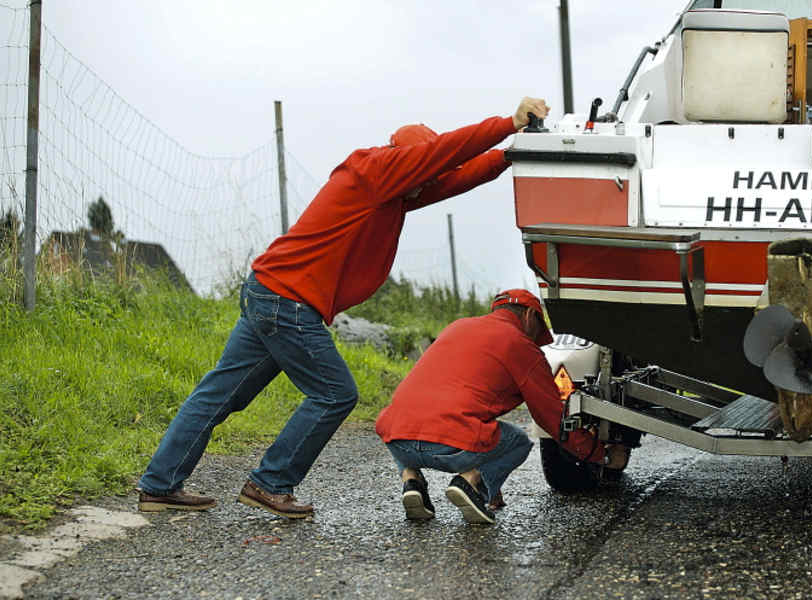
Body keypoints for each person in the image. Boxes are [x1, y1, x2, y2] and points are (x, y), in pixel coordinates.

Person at [136, 97, 551, 519]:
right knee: (335, 394)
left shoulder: (390, 194)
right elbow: (444, 153)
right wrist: (506, 122)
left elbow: (453, 178)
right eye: (423, 175)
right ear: (406, 161)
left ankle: (159, 485)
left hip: (267, 290)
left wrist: (507, 156)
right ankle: (270, 483)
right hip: (288, 302)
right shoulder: (375, 170)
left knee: (218, 395)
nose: (427, 186)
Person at [375, 289, 629, 525]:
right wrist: (601, 455)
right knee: (518, 441)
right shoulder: (521, 346)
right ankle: (471, 484)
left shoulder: (457, 327)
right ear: (531, 316)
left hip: (398, 443)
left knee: (407, 418)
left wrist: (494, 484)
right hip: (449, 446)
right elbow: (551, 419)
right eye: (538, 332)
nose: (536, 340)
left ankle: (412, 481)